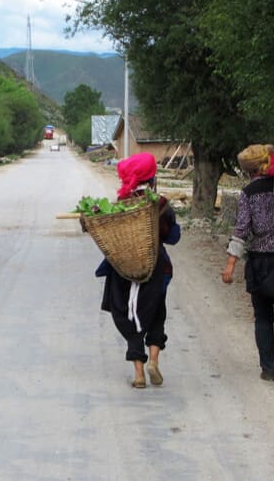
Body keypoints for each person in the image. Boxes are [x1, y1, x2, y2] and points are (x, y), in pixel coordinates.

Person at [221, 144, 274, 388]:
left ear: (248, 170)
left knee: (262, 317)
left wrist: (230, 264)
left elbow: (241, 230)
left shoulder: (249, 192)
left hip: (260, 262)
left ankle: (268, 368)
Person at [96, 152, 181, 388]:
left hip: (123, 273)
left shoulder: (120, 206)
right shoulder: (159, 205)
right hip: (155, 271)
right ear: (152, 179)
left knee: (128, 318)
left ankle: (139, 374)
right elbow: (173, 237)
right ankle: (154, 360)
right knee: (156, 315)